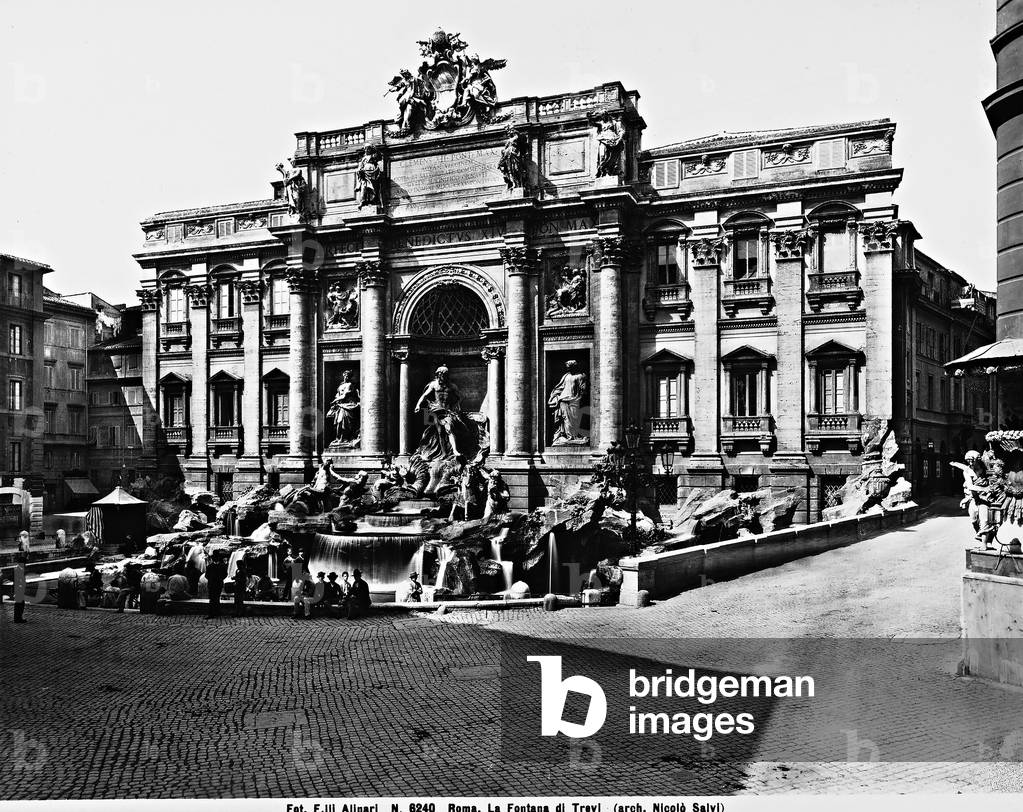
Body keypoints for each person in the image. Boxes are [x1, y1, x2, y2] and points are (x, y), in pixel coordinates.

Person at [205, 551, 228, 618]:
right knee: (213, 599)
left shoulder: (213, 566)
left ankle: (215, 612)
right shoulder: (213, 566)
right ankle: (213, 612)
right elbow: (207, 575)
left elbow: (225, 574)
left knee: (215, 598)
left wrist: (218, 579)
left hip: (216, 584)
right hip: (213, 584)